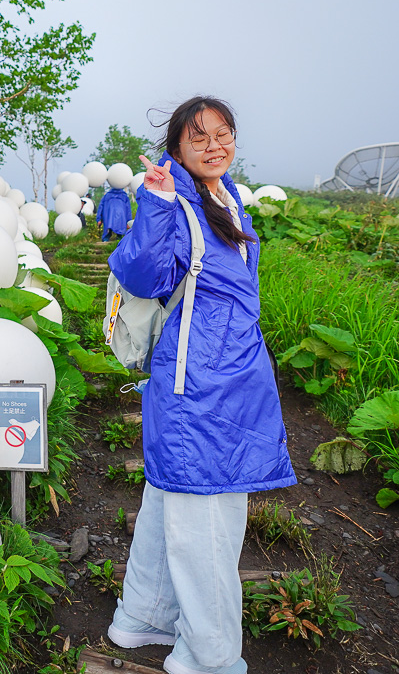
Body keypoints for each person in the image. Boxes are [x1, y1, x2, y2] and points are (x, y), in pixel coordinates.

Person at [104, 96, 296, 674]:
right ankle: (209, 656)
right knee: (208, 522)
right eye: (199, 137)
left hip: (229, 376)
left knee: (172, 500)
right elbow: (140, 273)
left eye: (223, 133)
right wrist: (157, 202)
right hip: (200, 386)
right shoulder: (177, 202)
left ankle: (143, 616)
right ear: (177, 148)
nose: (215, 145)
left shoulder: (226, 197)